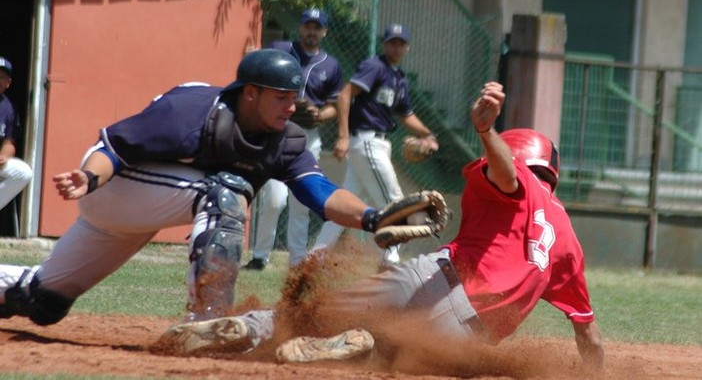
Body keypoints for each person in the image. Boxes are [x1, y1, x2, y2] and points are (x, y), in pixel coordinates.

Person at [164, 81, 604, 371]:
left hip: (431, 279)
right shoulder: (569, 245)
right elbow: (589, 334)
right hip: (467, 331)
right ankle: (363, 345)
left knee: (309, 314)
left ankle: (252, 326)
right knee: (399, 356)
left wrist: (486, 132)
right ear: (554, 172)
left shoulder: (519, 179)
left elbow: (507, 176)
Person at [0, 49, 411, 326]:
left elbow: (319, 191)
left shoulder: (285, 138)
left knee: (43, 302)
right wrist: (88, 178)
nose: (292, 107)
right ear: (250, 93)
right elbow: (114, 146)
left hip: (148, 208)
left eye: (294, 98)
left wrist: (372, 218)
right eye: (282, 97)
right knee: (226, 192)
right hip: (114, 188)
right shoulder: (193, 111)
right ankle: (208, 320)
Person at [312, 23, 438, 267]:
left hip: (377, 144)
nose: (396, 46)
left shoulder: (399, 78)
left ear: (407, 47)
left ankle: (314, 257)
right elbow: (345, 94)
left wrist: (428, 134)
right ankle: (391, 259)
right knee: (395, 201)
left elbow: (406, 115)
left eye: (401, 43)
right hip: (367, 141)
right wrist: (343, 136)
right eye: (392, 41)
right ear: (384, 43)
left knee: (344, 206)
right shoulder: (375, 67)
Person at [244, 8, 344, 270]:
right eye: (307, 26)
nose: (311, 31)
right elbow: (256, 60)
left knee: (302, 202)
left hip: (308, 136)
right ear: (300, 28)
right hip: (278, 130)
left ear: (324, 31)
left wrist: (321, 115)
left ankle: (297, 261)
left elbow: (334, 104)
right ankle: (260, 256)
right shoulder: (282, 49)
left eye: (317, 27)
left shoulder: (331, 65)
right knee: (274, 199)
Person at [0, 57, 33, 218]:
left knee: (24, 172)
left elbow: (9, 142)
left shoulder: (9, 108)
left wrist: (4, 156)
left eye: (1, 77)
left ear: (8, 83)